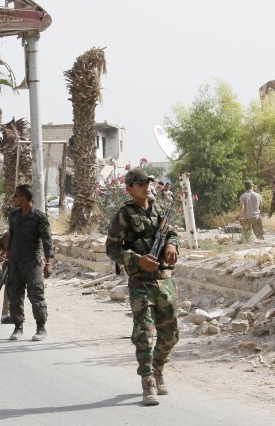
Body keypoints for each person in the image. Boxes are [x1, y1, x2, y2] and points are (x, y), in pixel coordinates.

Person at [106, 168, 179, 406]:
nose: (147, 187)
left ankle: (158, 370)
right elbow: (112, 249)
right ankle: (147, 381)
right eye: (140, 184)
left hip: (164, 280)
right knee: (144, 334)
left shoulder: (158, 209)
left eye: (148, 183)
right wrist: (137, 260)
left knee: (170, 335)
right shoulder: (124, 215)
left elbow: (172, 233)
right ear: (130, 189)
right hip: (140, 284)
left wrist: (171, 245)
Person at [3, 184, 53, 342]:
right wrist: (7, 257)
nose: (14, 199)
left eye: (16, 196)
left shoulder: (39, 217)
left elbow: (47, 241)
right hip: (16, 261)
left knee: (36, 295)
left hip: (32, 262)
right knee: (15, 295)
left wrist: (48, 263)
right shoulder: (14, 216)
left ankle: (41, 328)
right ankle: (18, 327)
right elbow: (11, 237)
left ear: (23, 198)